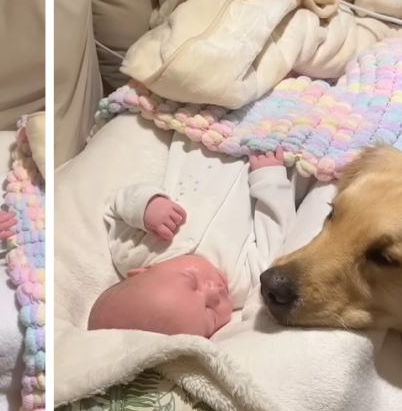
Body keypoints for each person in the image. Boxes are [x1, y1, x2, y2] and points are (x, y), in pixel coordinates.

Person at [88, 141, 295, 338]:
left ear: (144, 271)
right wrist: (269, 178)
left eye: (192, 282)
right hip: (262, 163)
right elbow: (277, 233)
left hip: (206, 147)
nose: (215, 292)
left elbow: (116, 210)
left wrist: (146, 205)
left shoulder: (133, 252)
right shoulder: (243, 285)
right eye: (211, 313)